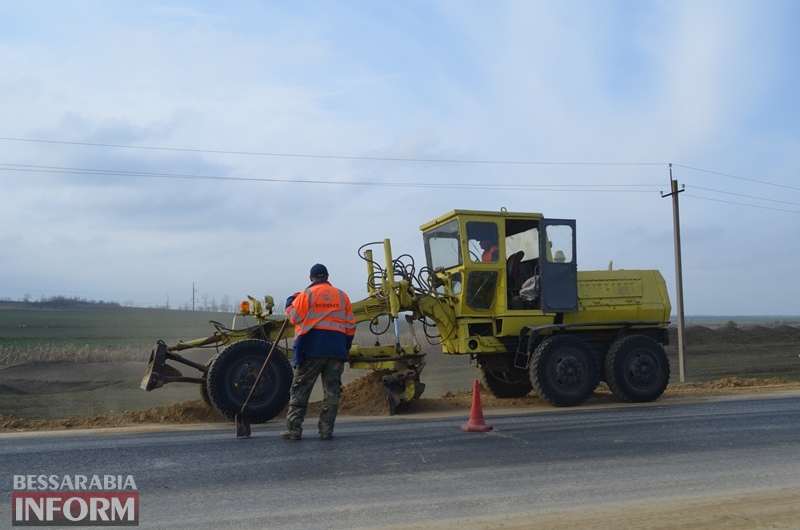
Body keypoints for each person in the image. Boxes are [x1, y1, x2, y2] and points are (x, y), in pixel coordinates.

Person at [281, 263, 356, 441]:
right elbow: (351, 326)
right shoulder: (342, 296)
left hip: (311, 350)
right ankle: (326, 430)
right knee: (332, 392)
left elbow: (294, 317)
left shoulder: (306, 295)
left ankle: (293, 430)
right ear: (328, 276)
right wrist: (345, 347)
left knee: (300, 389)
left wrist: (290, 301)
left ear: (311, 278)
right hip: (336, 351)